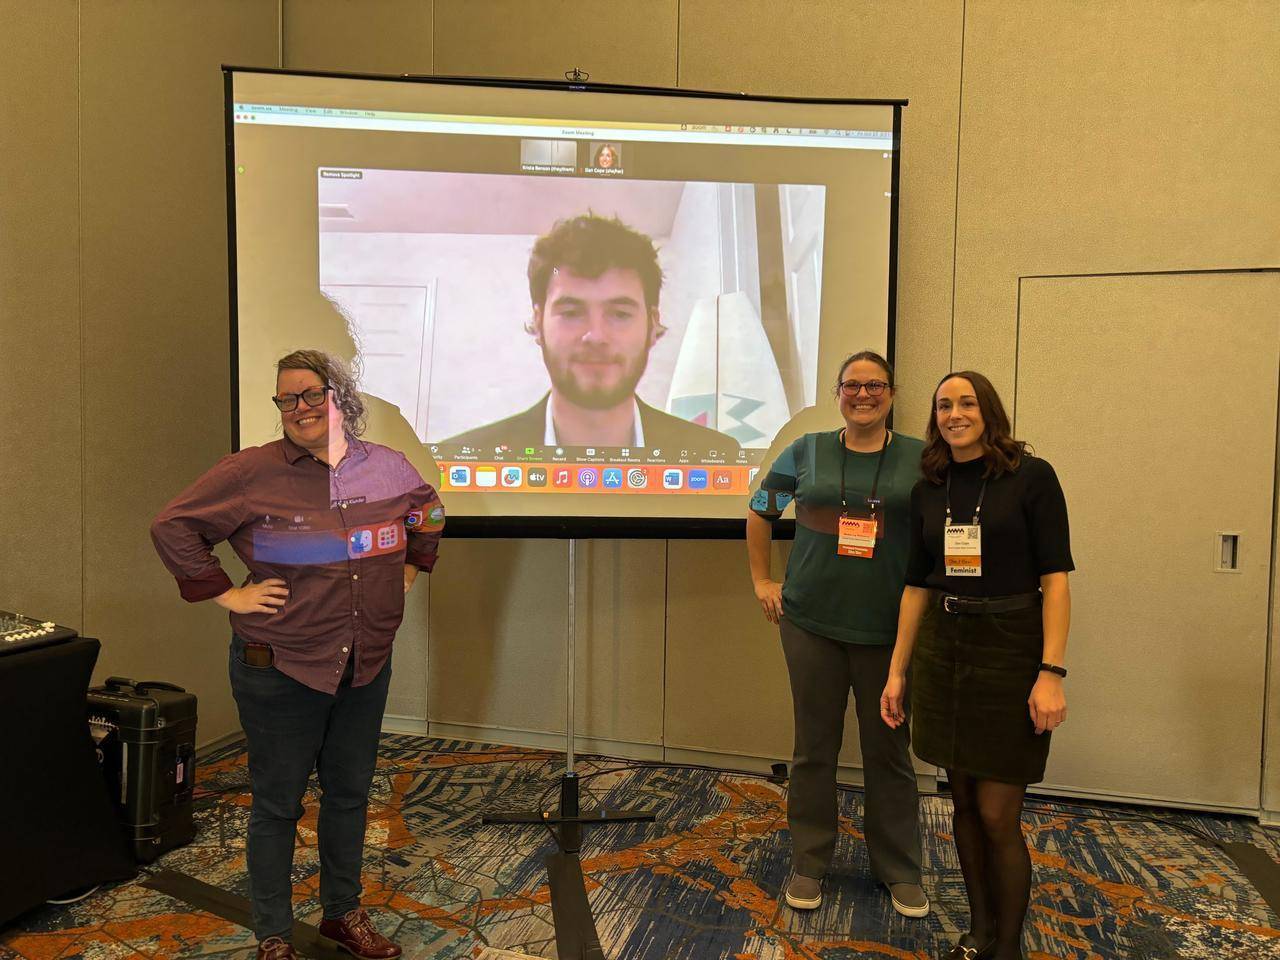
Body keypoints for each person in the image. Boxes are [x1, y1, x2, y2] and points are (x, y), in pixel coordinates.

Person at [151, 349, 445, 960]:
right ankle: (274, 935)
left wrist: (414, 565)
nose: (302, 408)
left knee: (349, 794)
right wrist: (230, 593)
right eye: (288, 399)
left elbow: (429, 509)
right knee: (278, 803)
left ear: (343, 398)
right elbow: (173, 526)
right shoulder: (250, 471)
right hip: (282, 663)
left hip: (365, 661)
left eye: (314, 394)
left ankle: (343, 913)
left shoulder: (387, 467)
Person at [880, 371, 1072, 960]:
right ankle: (979, 931)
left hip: (1011, 648)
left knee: (996, 813)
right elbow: (916, 585)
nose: (954, 413)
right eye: (943, 405)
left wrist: (1051, 672)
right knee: (962, 801)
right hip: (945, 645)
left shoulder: (1032, 478)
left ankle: (1007, 947)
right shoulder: (929, 488)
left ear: (988, 411)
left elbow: (1056, 580)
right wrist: (898, 671)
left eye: (966, 403)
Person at [746, 350, 929, 917]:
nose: (863, 395)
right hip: (810, 624)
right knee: (813, 750)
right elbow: (761, 511)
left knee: (889, 753)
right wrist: (761, 579)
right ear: (838, 393)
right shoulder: (808, 451)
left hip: (887, 632)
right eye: (853, 386)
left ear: (892, 395)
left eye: (875, 386)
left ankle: (899, 869)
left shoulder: (921, 460)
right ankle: (809, 863)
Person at [445, 214, 740, 454]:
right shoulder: (463, 458)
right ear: (538, 322)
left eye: (620, 314)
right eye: (571, 313)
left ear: (652, 325)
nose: (595, 336)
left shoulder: (715, 456)